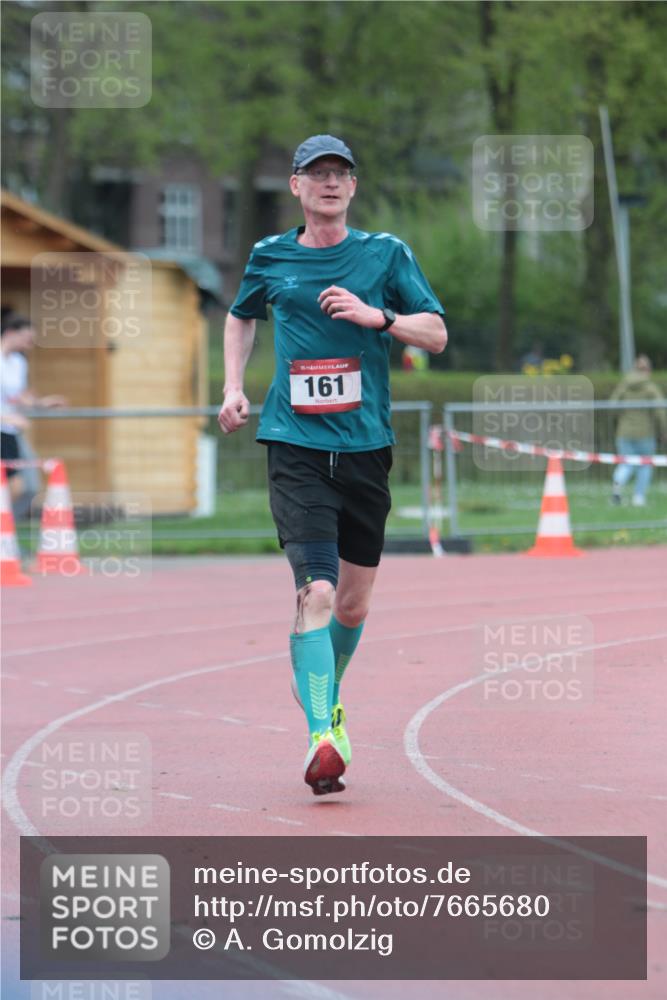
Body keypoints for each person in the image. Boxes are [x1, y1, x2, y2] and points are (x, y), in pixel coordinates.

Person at [218, 134, 447, 795]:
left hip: (365, 449)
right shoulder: (271, 256)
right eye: (316, 173)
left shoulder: (384, 255)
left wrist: (377, 318)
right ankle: (321, 732)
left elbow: (434, 332)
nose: (329, 182)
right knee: (314, 592)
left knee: (351, 601)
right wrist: (234, 387)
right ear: (294, 186)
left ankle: (325, 691)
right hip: (294, 446)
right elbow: (239, 318)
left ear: (352, 187)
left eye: (340, 173)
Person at [1, 312, 66, 518]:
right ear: (10, 333)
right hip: (5, 426)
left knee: (24, 487)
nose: (29, 345)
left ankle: (5, 532)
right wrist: (6, 418)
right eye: (26, 339)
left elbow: (18, 397)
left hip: (9, 432)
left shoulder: (19, 362)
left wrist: (42, 403)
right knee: (17, 486)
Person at [610, 354, 666, 506]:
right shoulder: (650, 388)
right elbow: (661, 411)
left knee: (626, 463)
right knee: (645, 465)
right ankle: (639, 497)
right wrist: (664, 429)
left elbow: (612, 406)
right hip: (645, 433)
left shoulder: (624, 385)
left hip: (624, 432)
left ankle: (617, 486)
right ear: (648, 370)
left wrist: (619, 420)